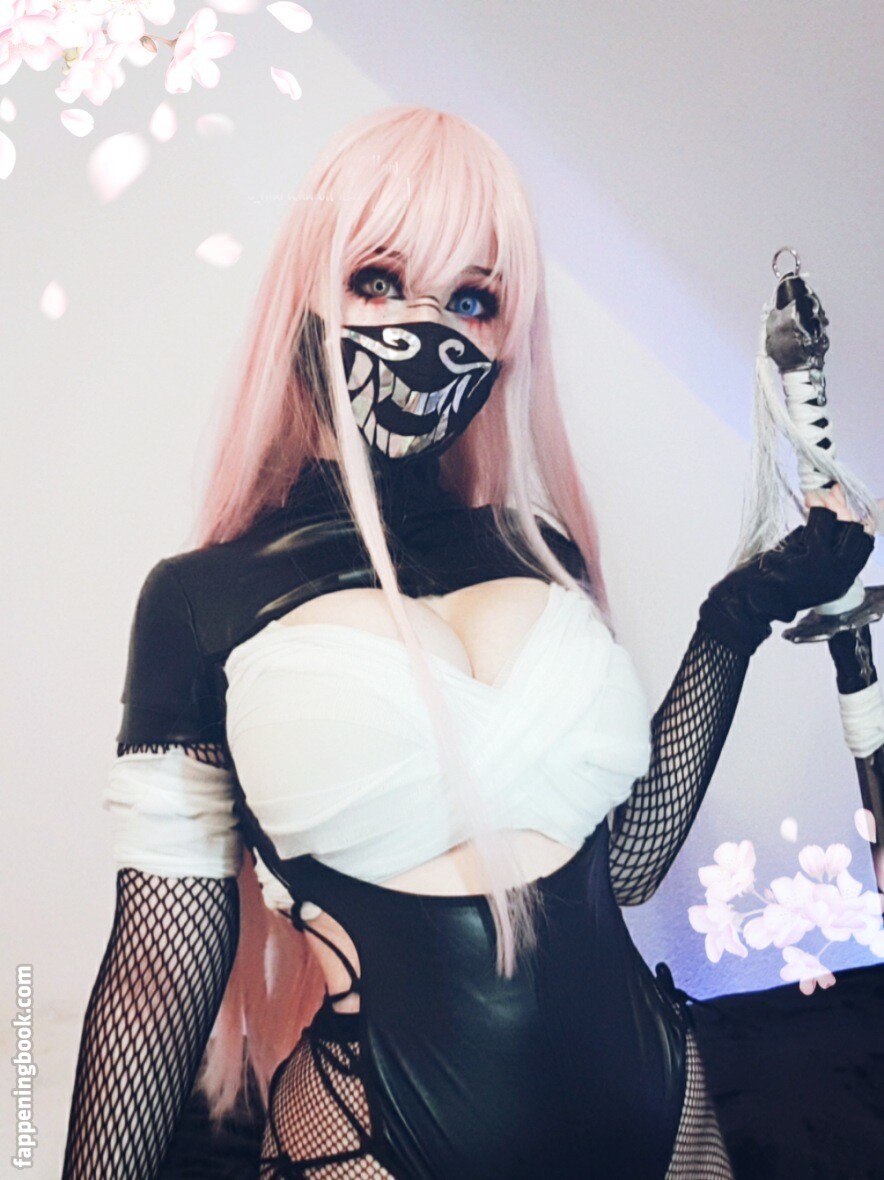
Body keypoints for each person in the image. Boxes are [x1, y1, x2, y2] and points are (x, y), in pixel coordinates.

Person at [61, 105, 877, 1180]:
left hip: (662, 1117)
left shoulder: (539, 550)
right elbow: (160, 975)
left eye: (473, 299)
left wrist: (735, 618)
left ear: (505, 337)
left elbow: (626, 863)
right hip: (374, 1145)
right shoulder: (200, 600)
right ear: (304, 294)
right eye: (377, 280)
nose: (427, 331)